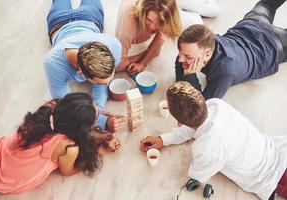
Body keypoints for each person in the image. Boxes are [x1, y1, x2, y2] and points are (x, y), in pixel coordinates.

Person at [140, 82, 287, 200]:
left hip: (273, 177)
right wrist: (163, 139)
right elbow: (192, 127)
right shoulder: (216, 104)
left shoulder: (207, 147)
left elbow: (198, 174)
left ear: (178, 122)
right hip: (280, 150)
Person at [0, 93, 121, 194]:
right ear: (81, 128)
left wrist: (96, 113)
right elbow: (68, 171)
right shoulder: (67, 146)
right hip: (8, 175)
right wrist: (100, 150)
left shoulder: (49, 108)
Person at [175, 0, 287, 99]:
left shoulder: (223, 71)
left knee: (267, 4)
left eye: (188, 57)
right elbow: (180, 67)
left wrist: (189, 76)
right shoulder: (204, 42)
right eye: (181, 54)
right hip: (252, 23)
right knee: (266, 4)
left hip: (271, 44)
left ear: (207, 54)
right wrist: (185, 74)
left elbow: (202, 107)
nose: (180, 59)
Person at [44, 0, 126, 132]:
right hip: (59, 22)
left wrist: (98, 110)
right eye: (101, 82)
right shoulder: (53, 63)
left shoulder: (114, 46)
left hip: (89, 17)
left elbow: (100, 83)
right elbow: (69, 106)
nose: (107, 83)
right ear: (81, 73)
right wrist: (101, 121)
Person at [115, 0, 202, 74]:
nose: (153, 27)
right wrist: (147, 52)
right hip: (134, 12)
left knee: (205, 17)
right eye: (149, 20)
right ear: (143, 12)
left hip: (176, 12)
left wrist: (143, 63)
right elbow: (117, 65)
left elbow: (158, 45)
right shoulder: (129, 17)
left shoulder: (165, 14)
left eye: (160, 23)